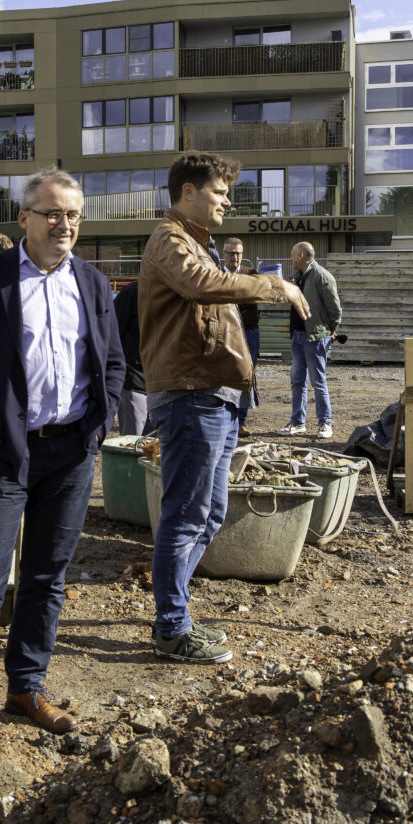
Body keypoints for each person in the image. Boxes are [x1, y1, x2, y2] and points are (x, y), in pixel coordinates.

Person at [0, 169, 124, 747]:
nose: (65, 225)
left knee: (45, 577)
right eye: (53, 213)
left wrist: (103, 417)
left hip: (71, 452)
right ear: (25, 219)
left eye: (73, 215)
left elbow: (113, 360)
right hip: (4, 452)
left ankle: (26, 687)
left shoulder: (91, 282)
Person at [140, 154, 307, 665]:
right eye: (219, 191)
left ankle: (176, 614)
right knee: (186, 515)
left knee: (209, 514)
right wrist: (274, 284)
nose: (227, 200)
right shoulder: (170, 240)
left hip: (215, 395)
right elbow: (199, 285)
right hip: (192, 395)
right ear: (187, 192)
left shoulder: (198, 245)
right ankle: (170, 626)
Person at [279, 241, 342, 440]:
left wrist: (331, 330)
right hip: (298, 336)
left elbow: (335, 309)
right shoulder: (299, 277)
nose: (290, 258)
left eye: (292, 254)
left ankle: (325, 423)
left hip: (315, 337)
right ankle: (298, 423)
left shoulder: (322, 277)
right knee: (297, 381)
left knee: (318, 382)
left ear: (301, 256)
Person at [221, 238, 262, 437]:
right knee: (224, 375)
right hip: (224, 332)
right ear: (223, 254)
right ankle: (225, 419)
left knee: (246, 376)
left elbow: (267, 290)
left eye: (238, 253)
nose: (234, 257)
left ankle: (240, 422)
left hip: (249, 332)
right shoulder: (216, 275)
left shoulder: (251, 275)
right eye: (230, 253)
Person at [113, 280, 150, 436]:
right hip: (134, 382)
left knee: (154, 450)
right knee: (132, 445)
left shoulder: (170, 292)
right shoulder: (133, 292)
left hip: (161, 387)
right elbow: (112, 333)